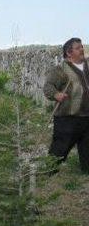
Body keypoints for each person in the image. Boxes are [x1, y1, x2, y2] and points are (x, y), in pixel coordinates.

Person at [43, 37, 89, 173]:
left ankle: (86, 172)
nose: (82, 49)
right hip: (67, 118)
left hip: (87, 115)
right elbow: (48, 87)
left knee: (87, 147)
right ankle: (49, 172)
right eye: (78, 48)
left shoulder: (87, 65)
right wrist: (56, 95)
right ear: (69, 53)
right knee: (60, 147)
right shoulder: (60, 70)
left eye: (82, 47)